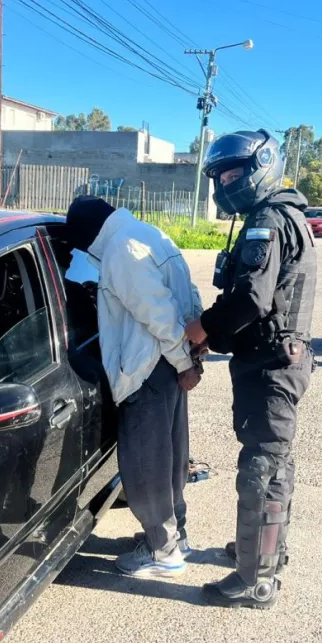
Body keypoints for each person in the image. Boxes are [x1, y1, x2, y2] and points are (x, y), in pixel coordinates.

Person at [183, 129, 317, 609]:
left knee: (262, 467)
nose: (225, 182)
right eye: (219, 175)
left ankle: (256, 579)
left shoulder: (269, 219)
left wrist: (201, 331)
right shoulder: (275, 215)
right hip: (272, 359)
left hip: (271, 364)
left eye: (233, 172)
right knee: (274, 460)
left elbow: (251, 299)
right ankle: (263, 550)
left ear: (261, 166)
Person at [65, 195, 203, 578]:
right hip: (166, 362)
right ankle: (176, 536)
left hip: (148, 367)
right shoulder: (148, 233)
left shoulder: (121, 250)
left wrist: (183, 362)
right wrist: (190, 355)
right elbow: (189, 298)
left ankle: (162, 552)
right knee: (170, 457)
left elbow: (156, 314)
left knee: (145, 464)